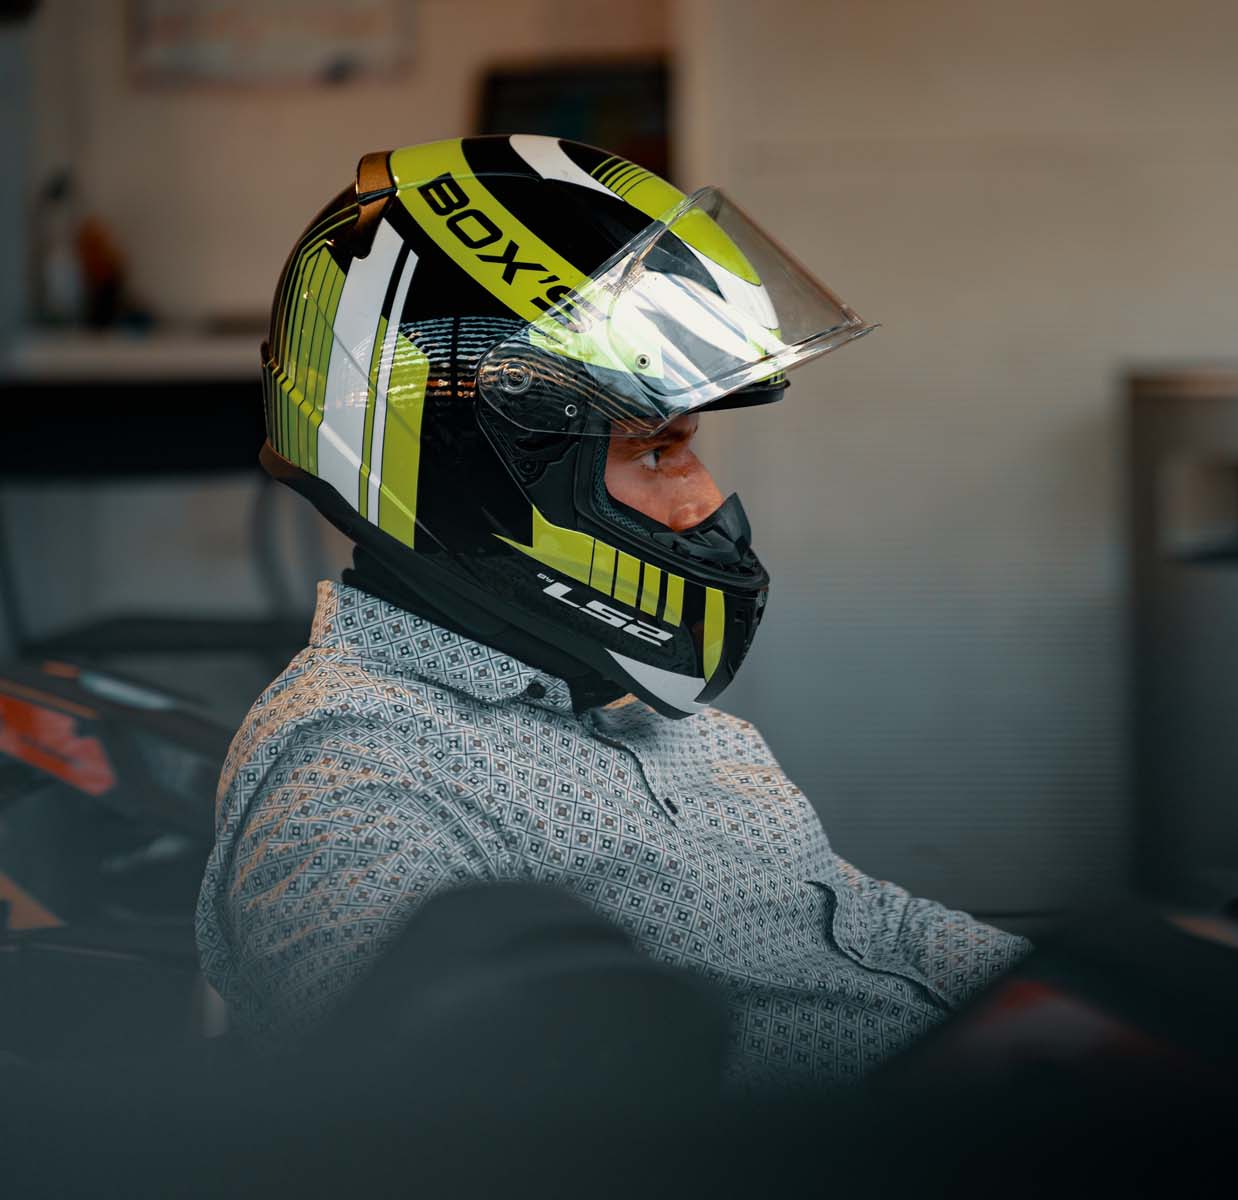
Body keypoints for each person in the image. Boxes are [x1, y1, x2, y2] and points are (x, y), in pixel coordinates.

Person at [194, 136, 1030, 1088]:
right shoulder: (362, 778)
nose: (703, 500)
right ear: (480, 470)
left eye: (687, 445)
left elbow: (857, 923)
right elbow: (441, 1124)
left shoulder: (637, 705)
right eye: (654, 451)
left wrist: (1083, 1002)